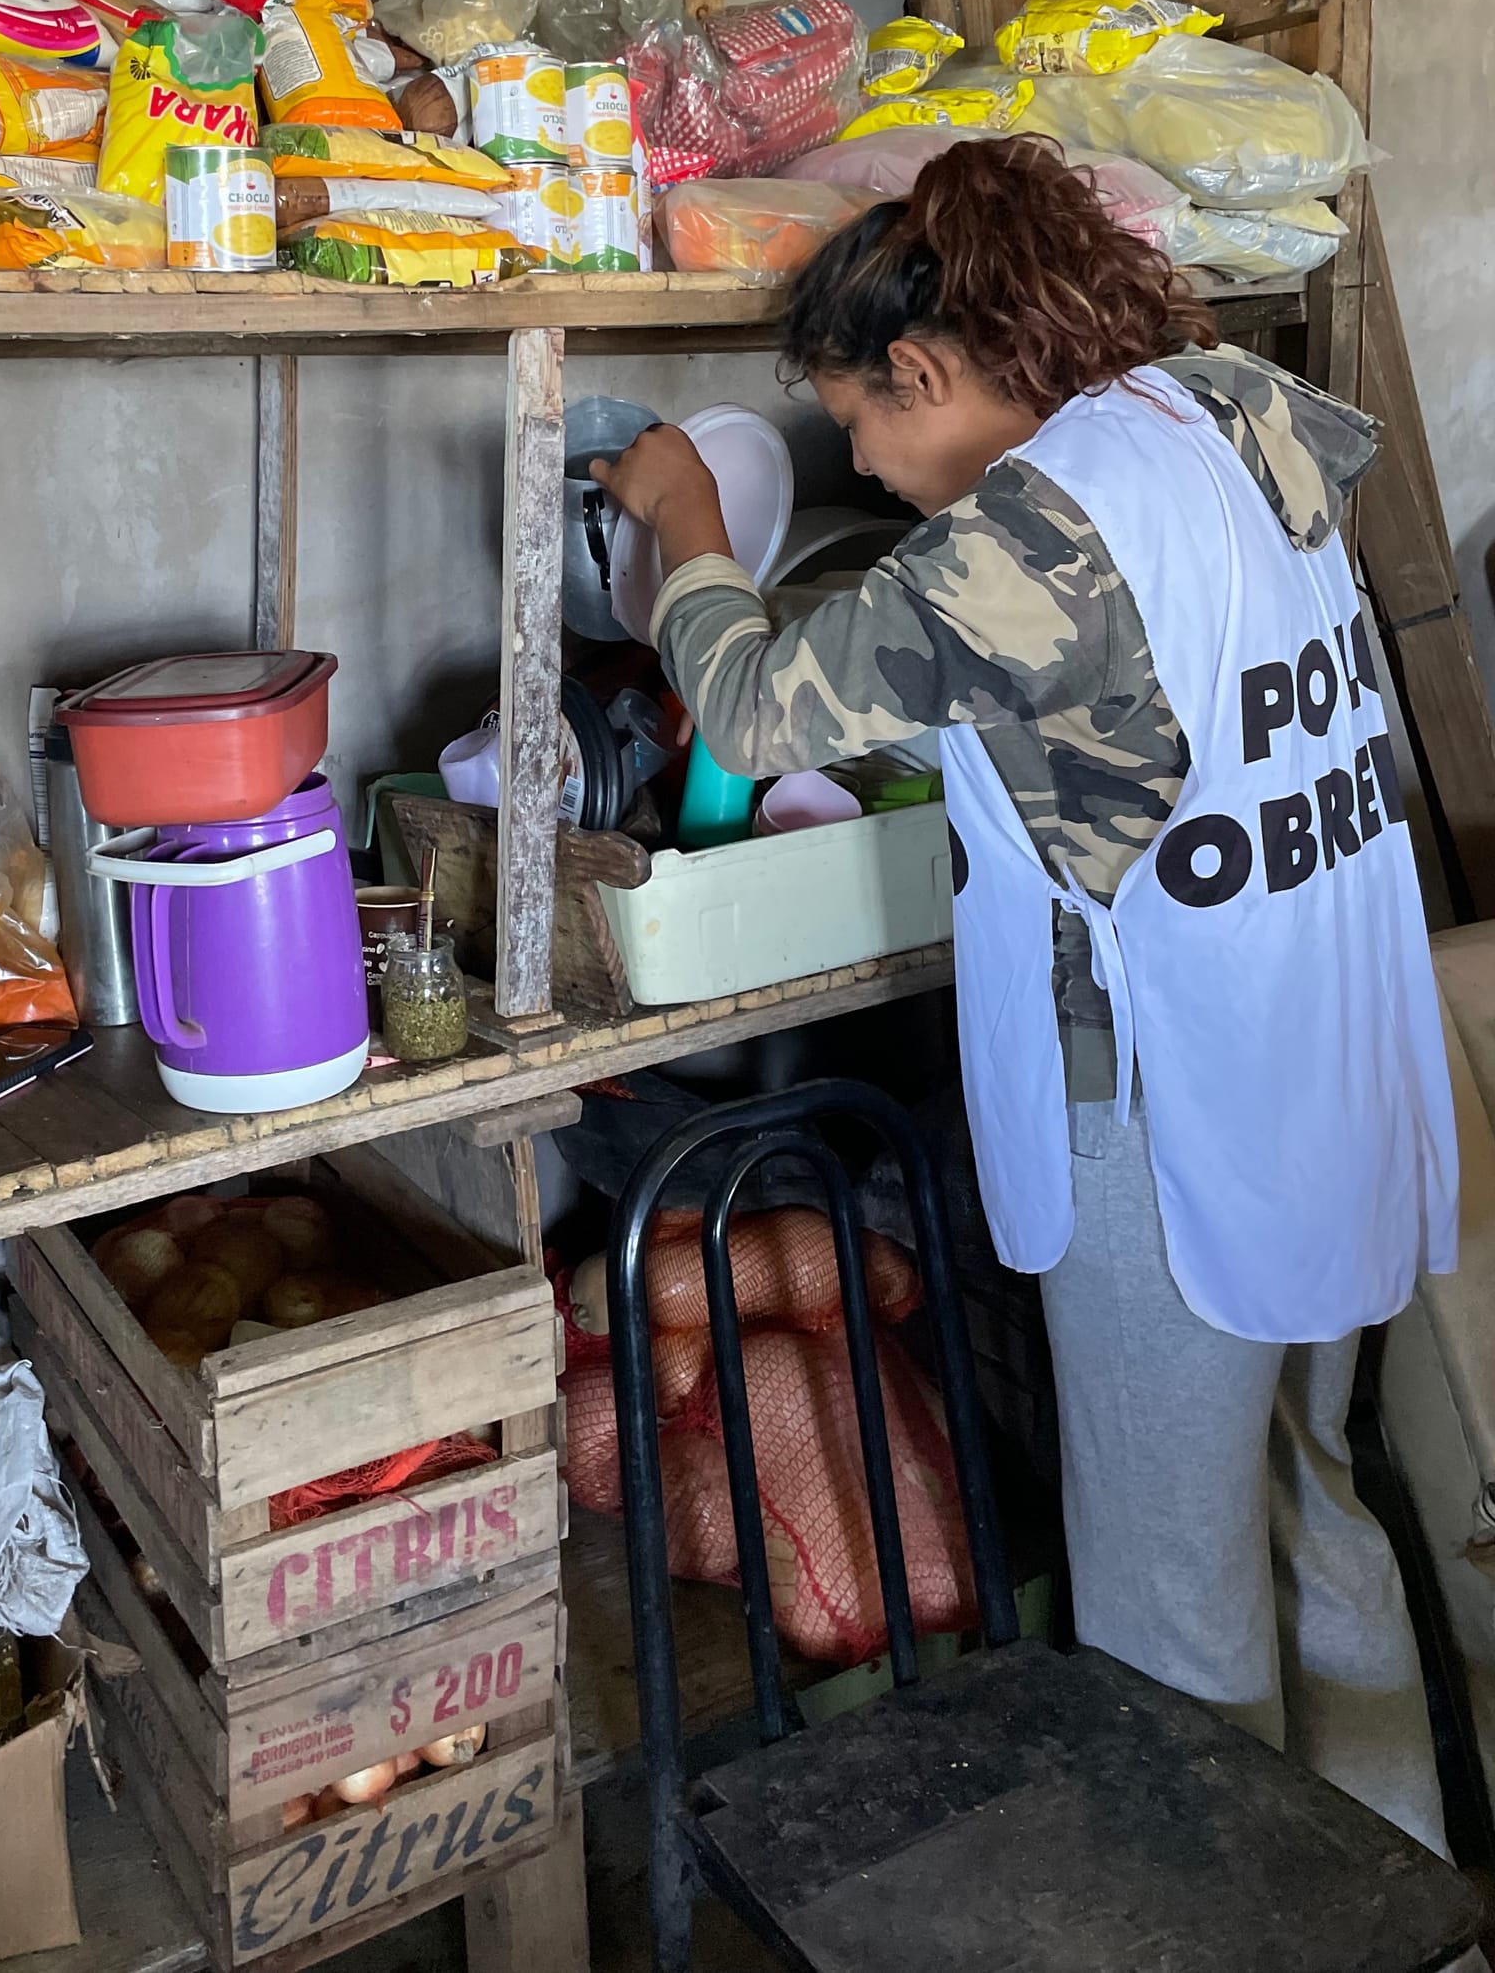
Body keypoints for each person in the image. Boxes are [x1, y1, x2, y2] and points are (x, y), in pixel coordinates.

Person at [593, 135, 1461, 1851]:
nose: (864, 460)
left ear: (926, 367)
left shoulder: (1038, 539)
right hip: (1334, 1056)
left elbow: (759, 711)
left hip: (1180, 1116)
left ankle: (1226, 1927)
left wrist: (686, 520)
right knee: (1315, 1508)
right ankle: (1409, 1911)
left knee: (1168, 1603)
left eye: (859, 420)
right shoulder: (1217, 411)